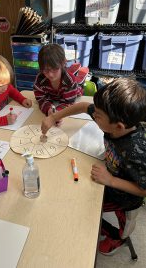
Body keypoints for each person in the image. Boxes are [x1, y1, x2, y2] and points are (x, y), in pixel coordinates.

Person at [41, 78, 146, 255]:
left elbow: (143, 190)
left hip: (125, 196)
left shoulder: (137, 151)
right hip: (109, 173)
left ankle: (118, 239)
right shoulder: (109, 118)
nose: (93, 115)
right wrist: (53, 117)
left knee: (120, 224)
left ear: (118, 127)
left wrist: (111, 180)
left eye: (97, 116)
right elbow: (83, 106)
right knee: (76, 201)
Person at [33, 43, 87, 119]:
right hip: (55, 97)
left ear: (63, 63)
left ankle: (79, 77)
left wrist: (58, 113)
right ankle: (74, 71)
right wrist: (48, 110)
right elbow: (41, 99)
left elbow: (69, 103)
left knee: (76, 82)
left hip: (74, 94)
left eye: (55, 69)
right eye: (45, 70)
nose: (50, 74)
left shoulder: (69, 81)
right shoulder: (40, 79)